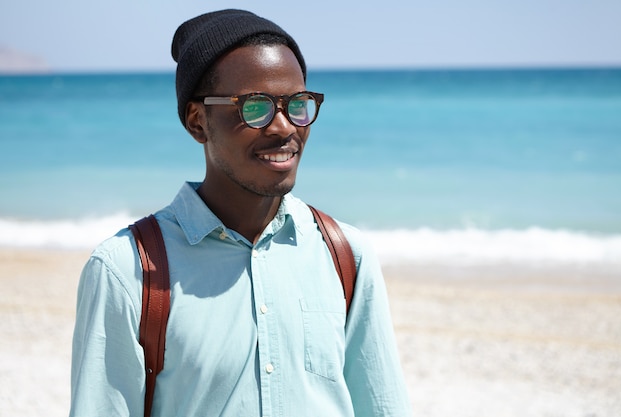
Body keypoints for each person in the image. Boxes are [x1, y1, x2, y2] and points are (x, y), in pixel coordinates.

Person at [70, 9, 411, 417]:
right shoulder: (127, 271)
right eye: (256, 107)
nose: (285, 127)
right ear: (199, 122)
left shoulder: (344, 256)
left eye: (297, 104)